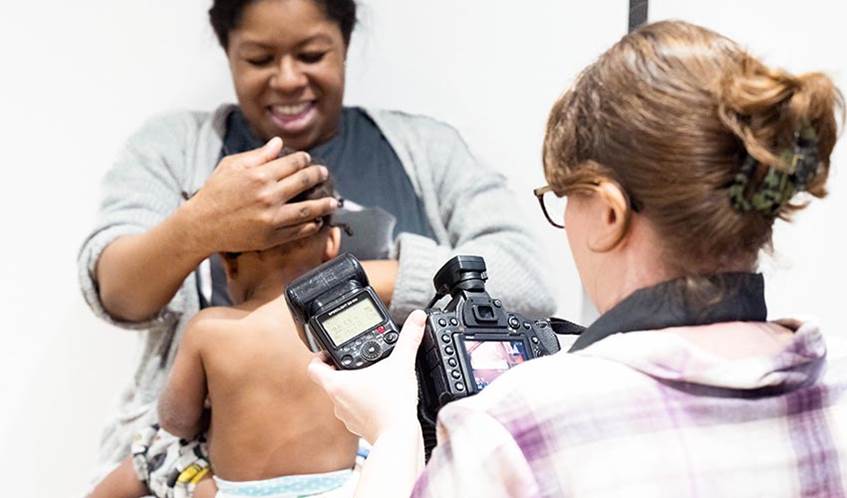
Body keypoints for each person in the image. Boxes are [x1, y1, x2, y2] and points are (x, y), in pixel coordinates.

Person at [308, 20, 847, 497]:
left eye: (562, 198)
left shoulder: (522, 426)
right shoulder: (833, 384)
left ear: (610, 213)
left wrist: (393, 431)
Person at [78, 0, 556, 492]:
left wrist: (349, 284)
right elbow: (117, 293)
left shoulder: (427, 150)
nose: (287, 79)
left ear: (344, 44)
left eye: (311, 54)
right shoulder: (171, 148)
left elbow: (529, 282)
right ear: (227, 53)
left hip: (400, 464)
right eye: (260, 59)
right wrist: (196, 225)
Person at [89, 179, 359, 498]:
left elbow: (177, 422)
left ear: (227, 263)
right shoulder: (349, 319)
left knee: (151, 450)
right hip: (339, 489)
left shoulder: (210, 329)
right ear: (332, 244)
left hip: (239, 493)